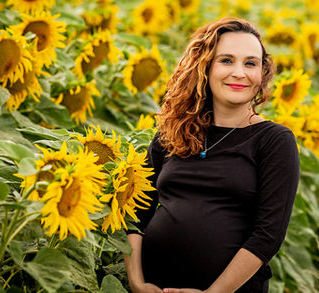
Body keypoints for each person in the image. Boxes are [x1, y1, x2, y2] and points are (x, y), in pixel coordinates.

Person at [124, 18, 300, 293]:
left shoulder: (274, 140)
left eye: (251, 63)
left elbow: (268, 234)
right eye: (227, 60)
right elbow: (136, 211)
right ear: (204, 66)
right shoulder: (172, 131)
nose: (239, 73)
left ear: (262, 73)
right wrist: (137, 282)